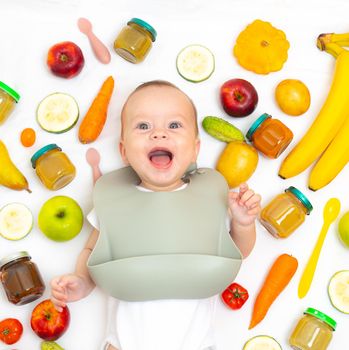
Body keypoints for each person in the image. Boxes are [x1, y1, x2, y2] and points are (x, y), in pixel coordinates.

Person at [50, 80, 261, 350]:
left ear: (195, 149)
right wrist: (81, 283)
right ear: (124, 151)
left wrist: (243, 223)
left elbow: (237, 252)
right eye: (143, 126)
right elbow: (94, 249)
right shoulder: (114, 200)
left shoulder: (211, 197)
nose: (159, 134)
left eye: (174, 125)